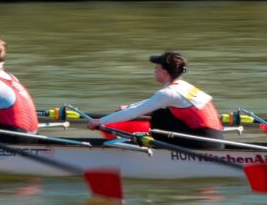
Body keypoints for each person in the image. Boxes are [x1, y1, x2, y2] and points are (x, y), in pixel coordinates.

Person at [87, 51, 224, 149]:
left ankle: (157, 150)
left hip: (204, 143)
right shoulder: (183, 86)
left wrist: (99, 121)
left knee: (159, 115)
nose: (154, 70)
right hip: (213, 139)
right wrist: (129, 106)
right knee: (162, 112)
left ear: (164, 73)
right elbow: (152, 102)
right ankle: (156, 143)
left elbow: (133, 113)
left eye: (156, 68)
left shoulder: (169, 93)